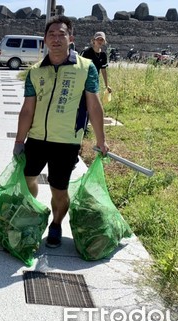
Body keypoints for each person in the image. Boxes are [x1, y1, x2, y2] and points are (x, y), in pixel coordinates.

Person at [13, 16, 109, 248]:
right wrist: (19, 140)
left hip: (66, 141)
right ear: (45, 39)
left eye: (61, 34)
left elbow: (94, 106)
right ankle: (33, 214)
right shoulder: (35, 72)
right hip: (36, 138)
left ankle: (56, 224)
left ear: (71, 38)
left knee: (59, 189)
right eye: (51, 35)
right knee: (27, 181)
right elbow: (27, 109)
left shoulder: (86, 69)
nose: (56, 39)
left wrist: (101, 140)